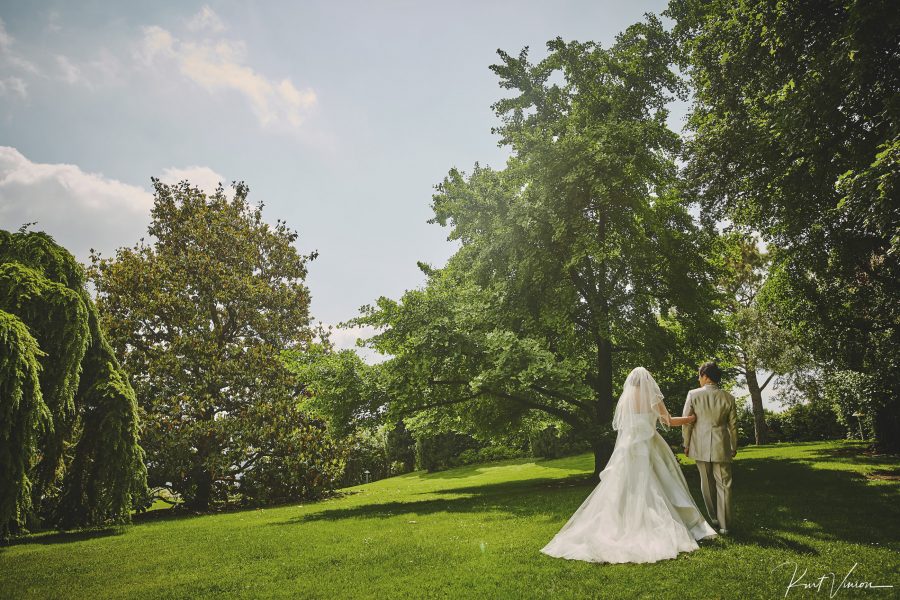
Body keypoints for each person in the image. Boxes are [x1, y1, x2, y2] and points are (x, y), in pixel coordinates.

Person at [540, 367, 717, 564]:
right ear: (647, 382)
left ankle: (622, 524)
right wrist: (691, 419)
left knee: (625, 488)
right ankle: (656, 525)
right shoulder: (651, 396)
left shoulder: (626, 398)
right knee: (656, 484)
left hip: (628, 447)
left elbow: (624, 425)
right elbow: (668, 421)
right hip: (648, 444)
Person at [682, 361, 737, 535]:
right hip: (722, 444)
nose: (699, 379)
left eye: (699, 375)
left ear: (705, 376)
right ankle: (725, 525)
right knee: (724, 485)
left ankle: (713, 517)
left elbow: (687, 422)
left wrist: (686, 443)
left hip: (700, 444)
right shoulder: (728, 397)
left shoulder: (693, 394)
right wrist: (733, 445)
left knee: (706, 482)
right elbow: (733, 426)